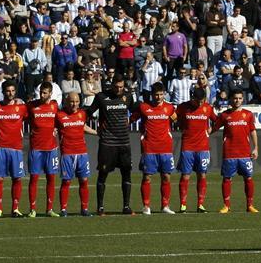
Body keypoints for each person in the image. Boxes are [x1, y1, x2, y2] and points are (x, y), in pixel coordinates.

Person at [88, 75, 135, 216]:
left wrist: (130, 120)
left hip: (124, 142)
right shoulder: (102, 97)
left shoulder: (128, 96)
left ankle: (126, 207)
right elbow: (89, 112)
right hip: (107, 142)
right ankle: (100, 208)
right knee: (103, 175)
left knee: (126, 174)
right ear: (111, 85)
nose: (119, 89)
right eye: (116, 87)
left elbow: (137, 110)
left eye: (121, 87)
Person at [133, 82, 178, 215]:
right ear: (152, 95)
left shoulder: (169, 108)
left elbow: (177, 120)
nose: (159, 97)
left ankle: (165, 206)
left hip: (166, 148)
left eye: (161, 94)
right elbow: (131, 119)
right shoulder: (144, 107)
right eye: (156, 95)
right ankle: (146, 206)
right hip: (149, 148)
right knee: (147, 177)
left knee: (166, 177)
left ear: (164, 94)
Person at [212, 89, 259, 214]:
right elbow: (214, 128)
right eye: (235, 98)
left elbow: (253, 131)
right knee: (227, 179)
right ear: (230, 99)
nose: (237, 101)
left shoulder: (248, 114)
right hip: (229, 153)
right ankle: (226, 205)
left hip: (245, 153)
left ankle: (250, 205)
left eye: (239, 98)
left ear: (243, 99)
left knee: (248, 178)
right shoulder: (224, 115)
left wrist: (255, 148)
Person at [0, 81, 29, 218]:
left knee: (17, 179)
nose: (10, 93)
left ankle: (15, 208)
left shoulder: (22, 108)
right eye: (8, 91)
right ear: (3, 91)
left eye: (12, 91)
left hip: (16, 148)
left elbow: (37, 117)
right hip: (0, 147)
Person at [176, 86, 217, 212]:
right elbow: (174, 119)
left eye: (201, 101)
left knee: (202, 175)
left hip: (203, 147)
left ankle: (200, 204)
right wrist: (180, 127)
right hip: (187, 146)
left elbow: (218, 121)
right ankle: (183, 204)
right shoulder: (183, 107)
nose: (199, 103)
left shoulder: (208, 108)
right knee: (185, 176)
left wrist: (211, 130)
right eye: (197, 101)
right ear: (192, 98)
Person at [57, 92, 98, 216]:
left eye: (76, 102)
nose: (74, 104)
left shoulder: (82, 114)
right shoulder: (59, 115)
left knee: (84, 181)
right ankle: (63, 209)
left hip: (82, 153)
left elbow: (83, 126)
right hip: (67, 153)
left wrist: (96, 132)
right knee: (66, 182)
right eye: (71, 101)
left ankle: (84, 209)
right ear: (66, 101)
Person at [27, 82, 62, 217]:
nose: (42, 95)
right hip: (36, 148)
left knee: (51, 178)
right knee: (34, 178)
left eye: (45, 93)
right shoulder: (31, 106)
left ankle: (49, 209)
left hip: (51, 148)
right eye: (41, 92)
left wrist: (56, 128)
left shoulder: (54, 106)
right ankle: (33, 209)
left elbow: (60, 121)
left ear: (50, 93)